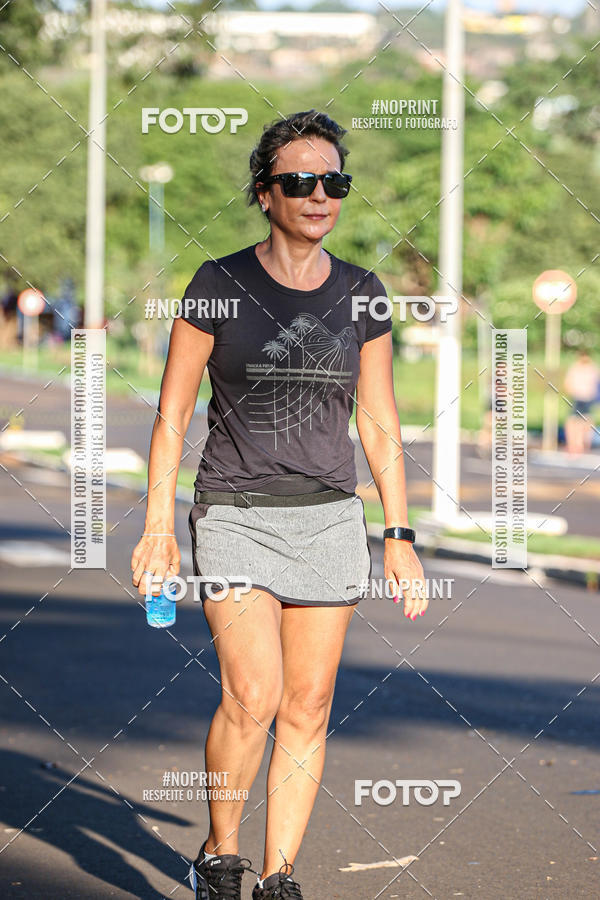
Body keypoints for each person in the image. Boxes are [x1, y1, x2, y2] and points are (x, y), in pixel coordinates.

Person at [130, 109, 427, 900]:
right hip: (233, 512)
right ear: (265, 194)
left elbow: (379, 420)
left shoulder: (363, 294)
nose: (318, 193)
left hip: (330, 517)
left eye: (333, 180)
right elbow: (172, 416)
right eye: (300, 181)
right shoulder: (218, 286)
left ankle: (278, 875)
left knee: (309, 701)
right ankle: (222, 854)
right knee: (252, 693)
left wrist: (398, 532)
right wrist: (159, 528)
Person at [563, 350, 600, 454]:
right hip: (580, 397)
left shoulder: (590, 368)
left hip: (585, 397)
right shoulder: (583, 368)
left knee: (580, 422)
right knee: (577, 421)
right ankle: (576, 444)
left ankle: (579, 444)